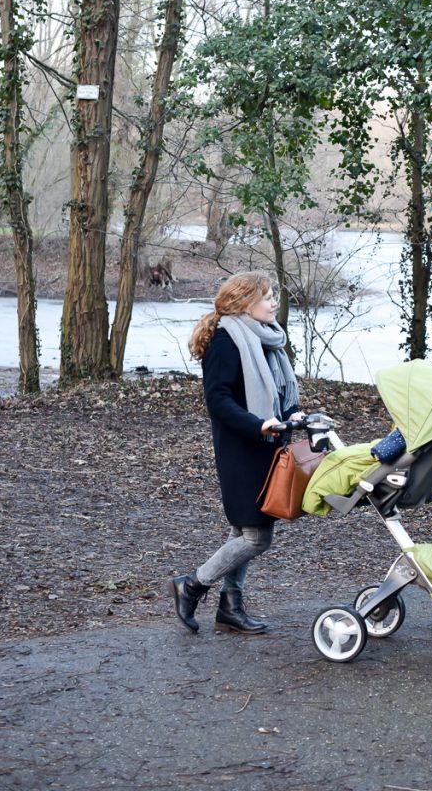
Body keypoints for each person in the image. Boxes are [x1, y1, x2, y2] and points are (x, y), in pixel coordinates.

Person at [170, 271, 302, 635]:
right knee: (256, 537)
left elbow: (275, 394)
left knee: (242, 532)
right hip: (242, 449)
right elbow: (219, 400)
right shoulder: (227, 340)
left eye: (273, 295)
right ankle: (192, 585)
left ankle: (230, 606)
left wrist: (294, 416)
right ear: (244, 302)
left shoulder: (265, 339)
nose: (274, 302)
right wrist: (257, 425)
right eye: (267, 297)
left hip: (268, 447)